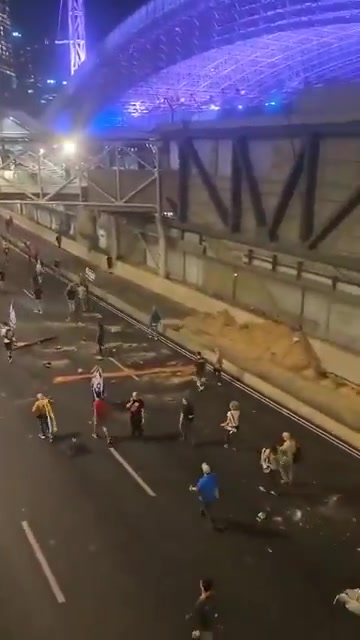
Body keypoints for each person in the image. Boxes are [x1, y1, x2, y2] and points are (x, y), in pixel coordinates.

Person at [190, 463, 219, 529]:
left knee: (208, 510)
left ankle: (212, 523)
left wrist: (191, 488)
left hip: (205, 497)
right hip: (212, 496)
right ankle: (202, 510)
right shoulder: (214, 477)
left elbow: (197, 489)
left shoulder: (202, 481)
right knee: (207, 505)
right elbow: (216, 486)